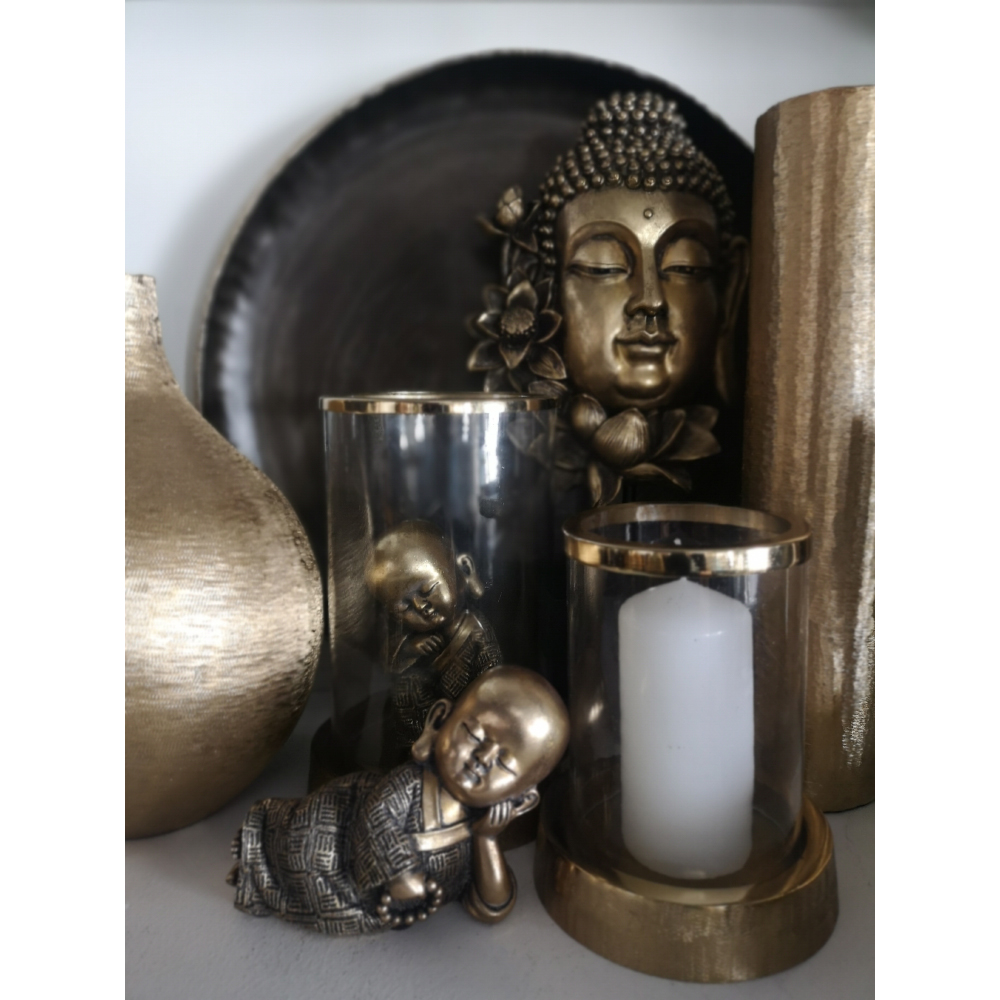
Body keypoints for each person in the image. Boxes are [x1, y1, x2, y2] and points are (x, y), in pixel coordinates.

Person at [469, 91, 749, 505]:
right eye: (603, 267)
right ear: (546, 289)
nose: (650, 301)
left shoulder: (747, 480)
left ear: (730, 288)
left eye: (686, 267)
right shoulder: (507, 492)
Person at [227, 666, 570, 935]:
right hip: (334, 842)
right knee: (295, 852)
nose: (482, 758)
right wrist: (400, 874)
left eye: (504, 764)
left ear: (522, 799)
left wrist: (486, 840)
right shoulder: (409, 785)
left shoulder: (475, 833)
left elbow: (492, 908)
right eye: (473, 734)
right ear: (439, 720)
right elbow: (376, 819)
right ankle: (258, 862)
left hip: (367, 905)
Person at [366, 520, 502, 747]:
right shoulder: (412, 637)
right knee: (407, 687)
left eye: (427, 590)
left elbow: (493, 675)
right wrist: (410, 649)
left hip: (468, 718)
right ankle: (417, 742)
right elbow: (389, 660)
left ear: (464, 569)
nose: (421, 607)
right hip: (429, 717)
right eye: (405, 607)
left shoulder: (476, 631)